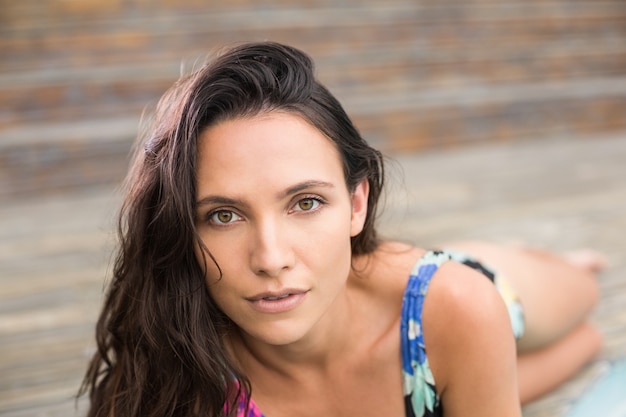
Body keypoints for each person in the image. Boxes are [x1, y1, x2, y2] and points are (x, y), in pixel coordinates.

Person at [80, 41, 603, 417]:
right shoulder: (180, 365)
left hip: (455, 294)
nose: (271, 257)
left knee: (585, 291)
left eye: (305, 202)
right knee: (582, 347)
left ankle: (548, 260)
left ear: (357, 203)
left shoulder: (459, 304)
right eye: (224, 215)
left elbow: (470, 307)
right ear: (179, 228)